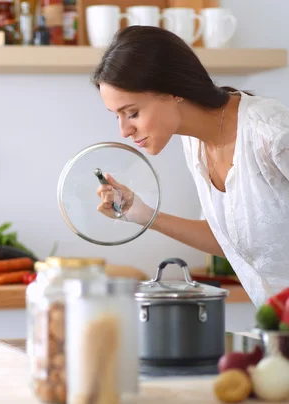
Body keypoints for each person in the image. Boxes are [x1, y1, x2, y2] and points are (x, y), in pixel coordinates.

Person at [92, 25, 289, 308]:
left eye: (132, 113)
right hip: (278, 329)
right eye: (117, 117)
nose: (124, 130)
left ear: (174, 91)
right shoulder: (194, 144)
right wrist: (143, 214)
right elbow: (234, 241)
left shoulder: (271, 132)